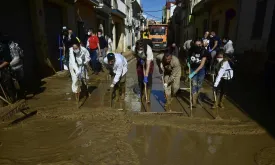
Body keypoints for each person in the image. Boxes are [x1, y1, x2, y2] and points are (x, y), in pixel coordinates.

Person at [188, 39, 208, 108]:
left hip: (201, 70)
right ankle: (194, 102)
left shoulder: (204, 51)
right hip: (193, 68)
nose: (198, 46)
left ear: (202, 44)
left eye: (199, 44)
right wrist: (188, 63)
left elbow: (202, 65)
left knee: (199, 85)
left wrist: (193, 73)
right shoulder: (191, 50)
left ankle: (198, 97)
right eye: (196, 45)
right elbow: (188, 57)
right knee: (194, 84)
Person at [132, 39, 154, 103]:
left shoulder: (148, 49)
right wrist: (139, 59)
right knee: (140, 79)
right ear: (137, 47)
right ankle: (142, 95)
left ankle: (148, 97)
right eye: (139, 49)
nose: (140, 50)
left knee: (148, 80)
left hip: (149, 61)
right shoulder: (133, 48)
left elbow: (148, 64)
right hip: (140, 61)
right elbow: (134, 54)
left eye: (141, 49)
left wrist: (146, 76)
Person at [0, 33, 16, 103]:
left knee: (8, 87)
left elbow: (8, 60)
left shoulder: (3, 46)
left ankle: (13, 101)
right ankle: (4, 102)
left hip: (4, 70)